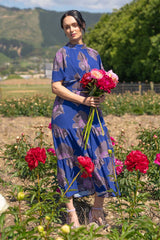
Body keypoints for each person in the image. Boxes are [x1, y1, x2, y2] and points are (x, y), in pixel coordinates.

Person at [51, 10, 119, 228]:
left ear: (82, 25)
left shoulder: (94, 54)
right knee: (68, 162)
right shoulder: (61, 53)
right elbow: (56, 86)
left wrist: (99, 94)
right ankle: (73, 217)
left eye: (74, 25)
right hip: (66, 117)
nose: (71, 29)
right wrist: (83, 100)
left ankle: (96, 212)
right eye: (66, 27)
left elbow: (100, 83)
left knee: (102, 155)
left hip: (92, 115)